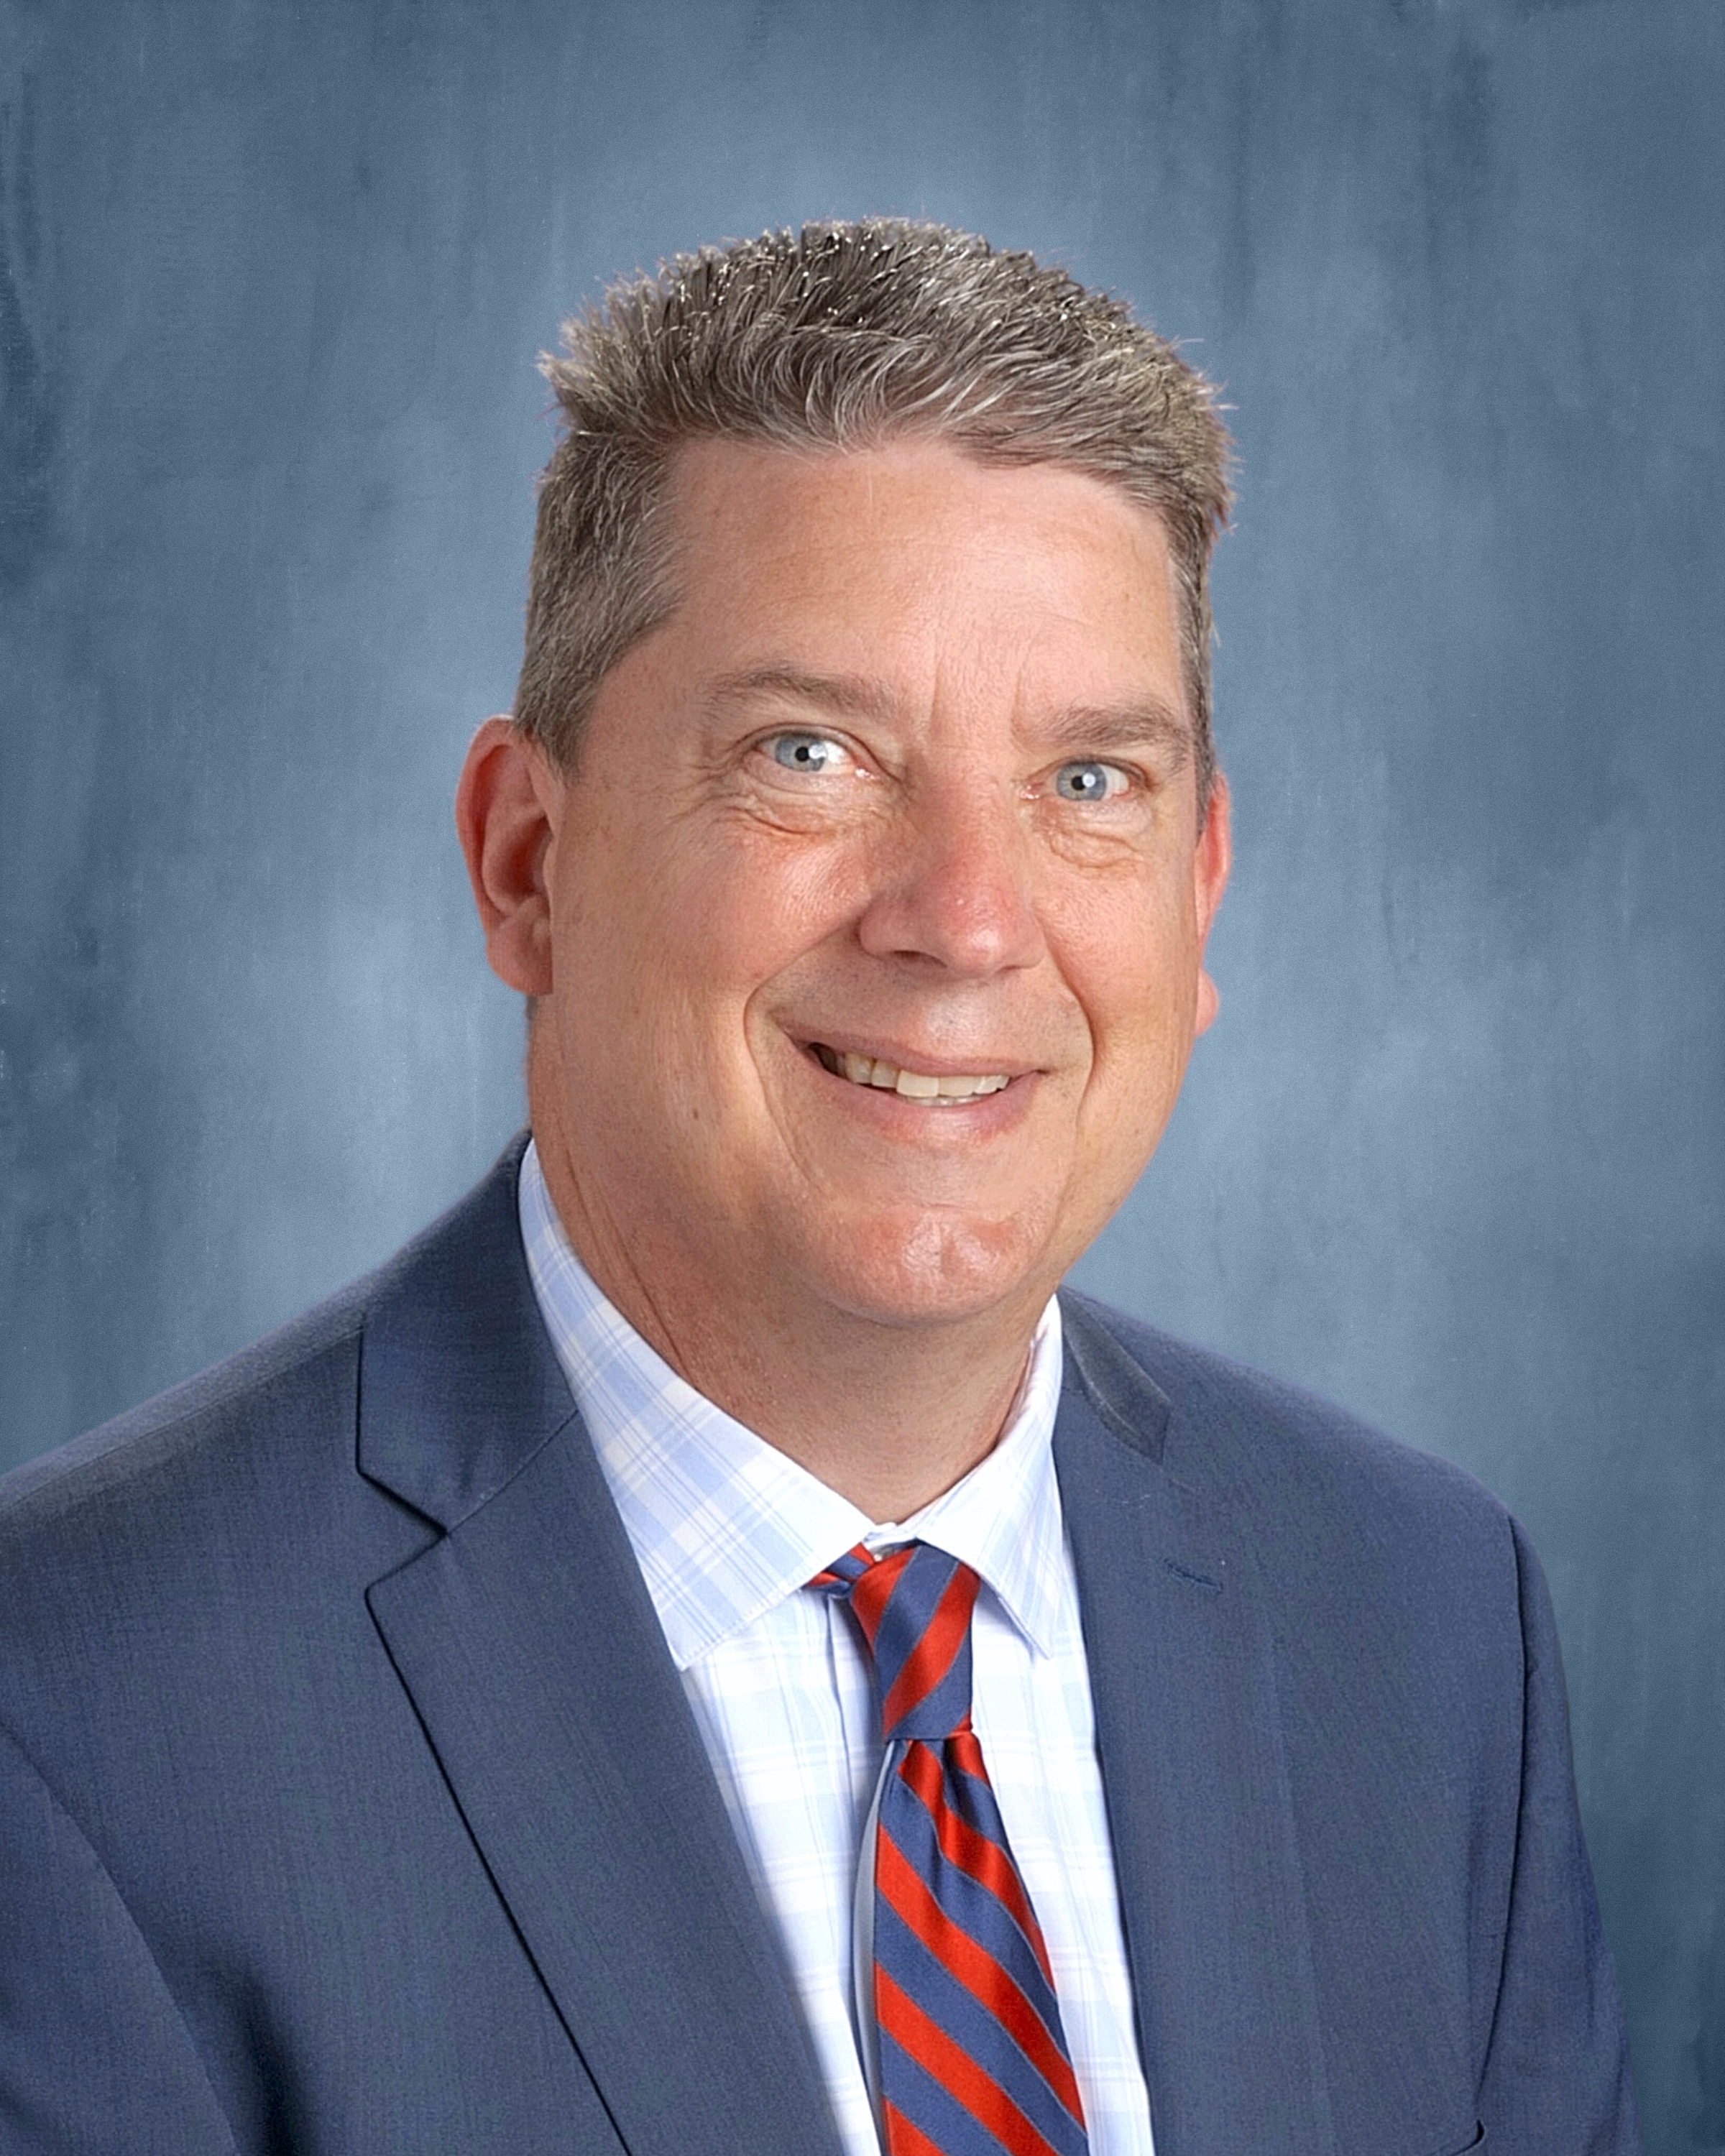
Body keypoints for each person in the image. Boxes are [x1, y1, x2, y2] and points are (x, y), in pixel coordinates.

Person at [0, 221, 1638, 2156]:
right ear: (529, 862)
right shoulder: (75, 1711)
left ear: (1198, 893)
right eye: (811, 753)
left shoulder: (1422, 1622)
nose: (966, 919)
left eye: (1088, 782)